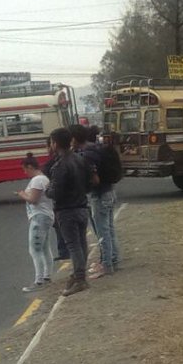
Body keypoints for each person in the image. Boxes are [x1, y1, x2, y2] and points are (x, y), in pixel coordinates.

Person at [47, 127, 97, 297]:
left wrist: (48, 190)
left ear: (55, 143)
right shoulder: (80, 159)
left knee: (73, 245)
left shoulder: (60, 165)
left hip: (66, 210)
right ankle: (79, 274)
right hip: (82, 206)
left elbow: (56, 192)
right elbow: (91, 182)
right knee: (82, 243)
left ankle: (80, 279)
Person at [83, 126, 122, 277]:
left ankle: (106, 265)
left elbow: (95, 179)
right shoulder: (105, 151)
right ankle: (113, 259)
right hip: (110, 191)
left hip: (99, 195)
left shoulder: (91, 154)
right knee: (109, 229)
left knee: (102, 231)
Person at [15, 153, 55, 293]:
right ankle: (47, 276)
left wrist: (22, 194)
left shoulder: (37, 180)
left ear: (30, 167)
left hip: (39, 217)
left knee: (35, 249)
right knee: (44, 247)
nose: (24, 172)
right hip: (46, 216)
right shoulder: (44, 179)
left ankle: (38, 280)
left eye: (25, 169)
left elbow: (33, 199)